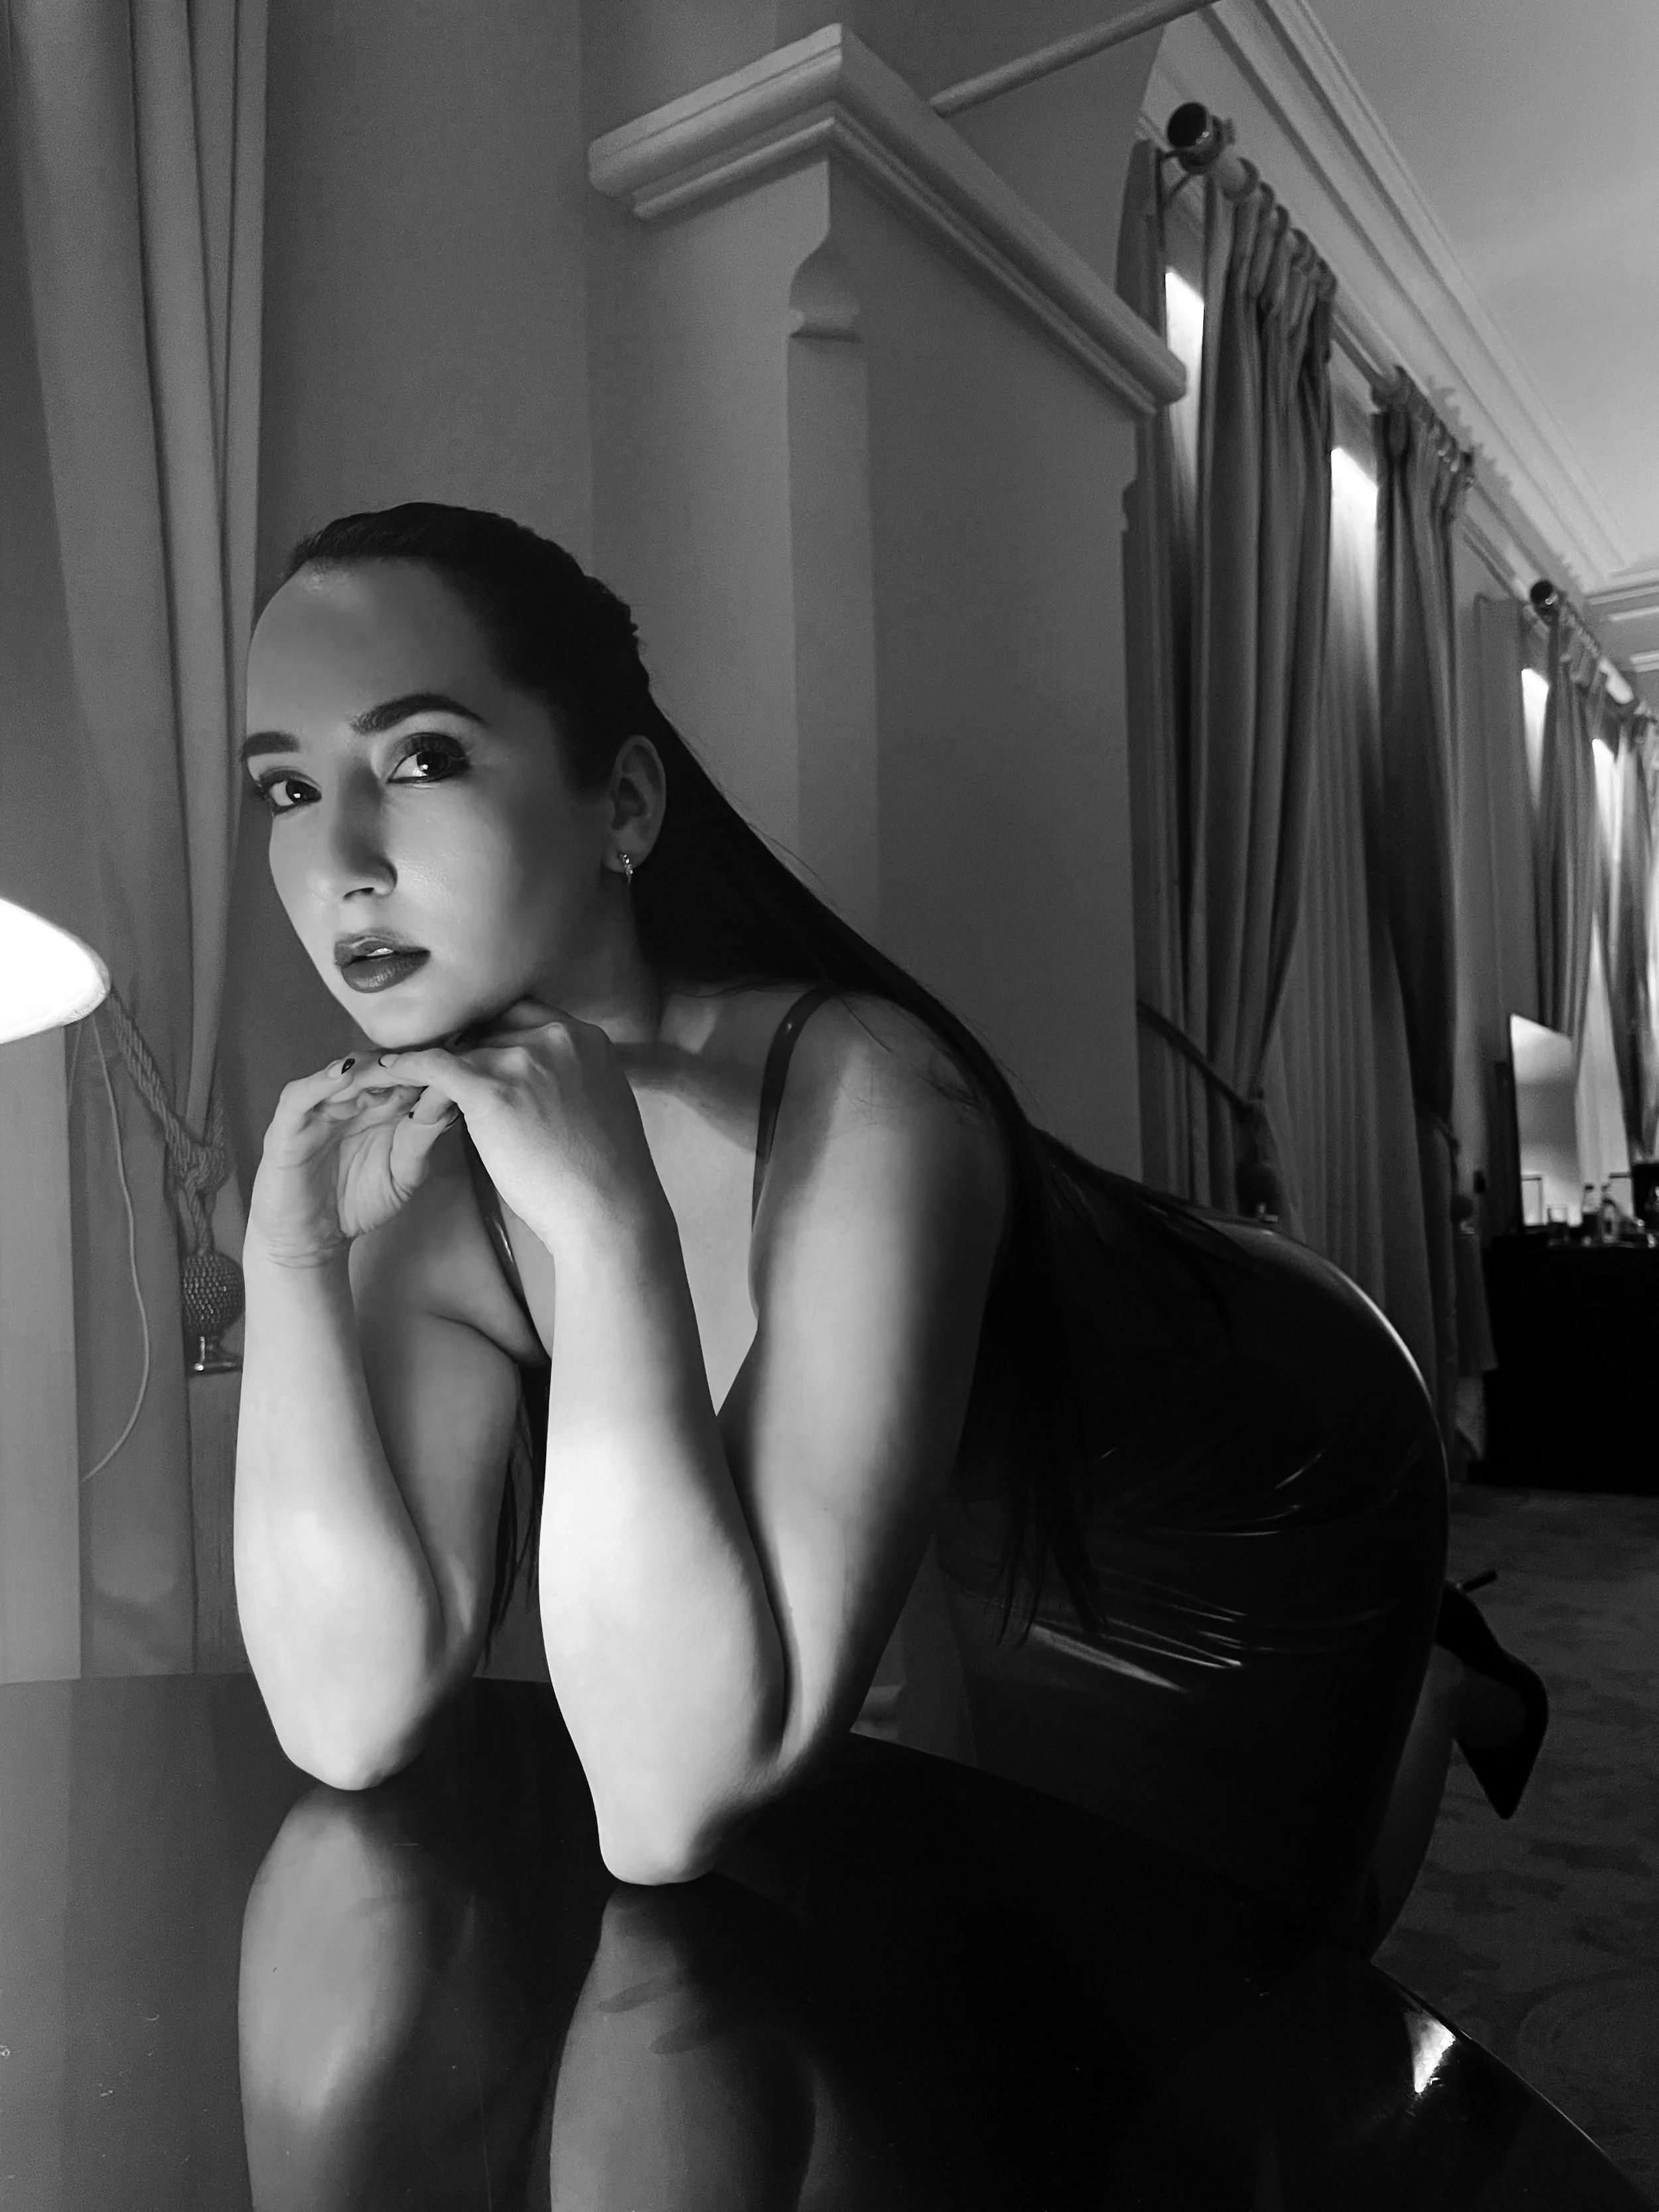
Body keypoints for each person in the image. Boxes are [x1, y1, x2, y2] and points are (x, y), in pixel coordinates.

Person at [234, 502, 1544, 1937]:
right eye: (285, 789)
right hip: (983, 1501)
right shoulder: (435, 1177)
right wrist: (292, 1261)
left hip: (1244, 1466)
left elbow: (673, 1796)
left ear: (622, 804)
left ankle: (1436, 1680)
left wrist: (610, 1235)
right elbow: (350, 1718)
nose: (340, 857)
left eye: (420, 757)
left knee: (1252, 1963)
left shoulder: (867, 1091)